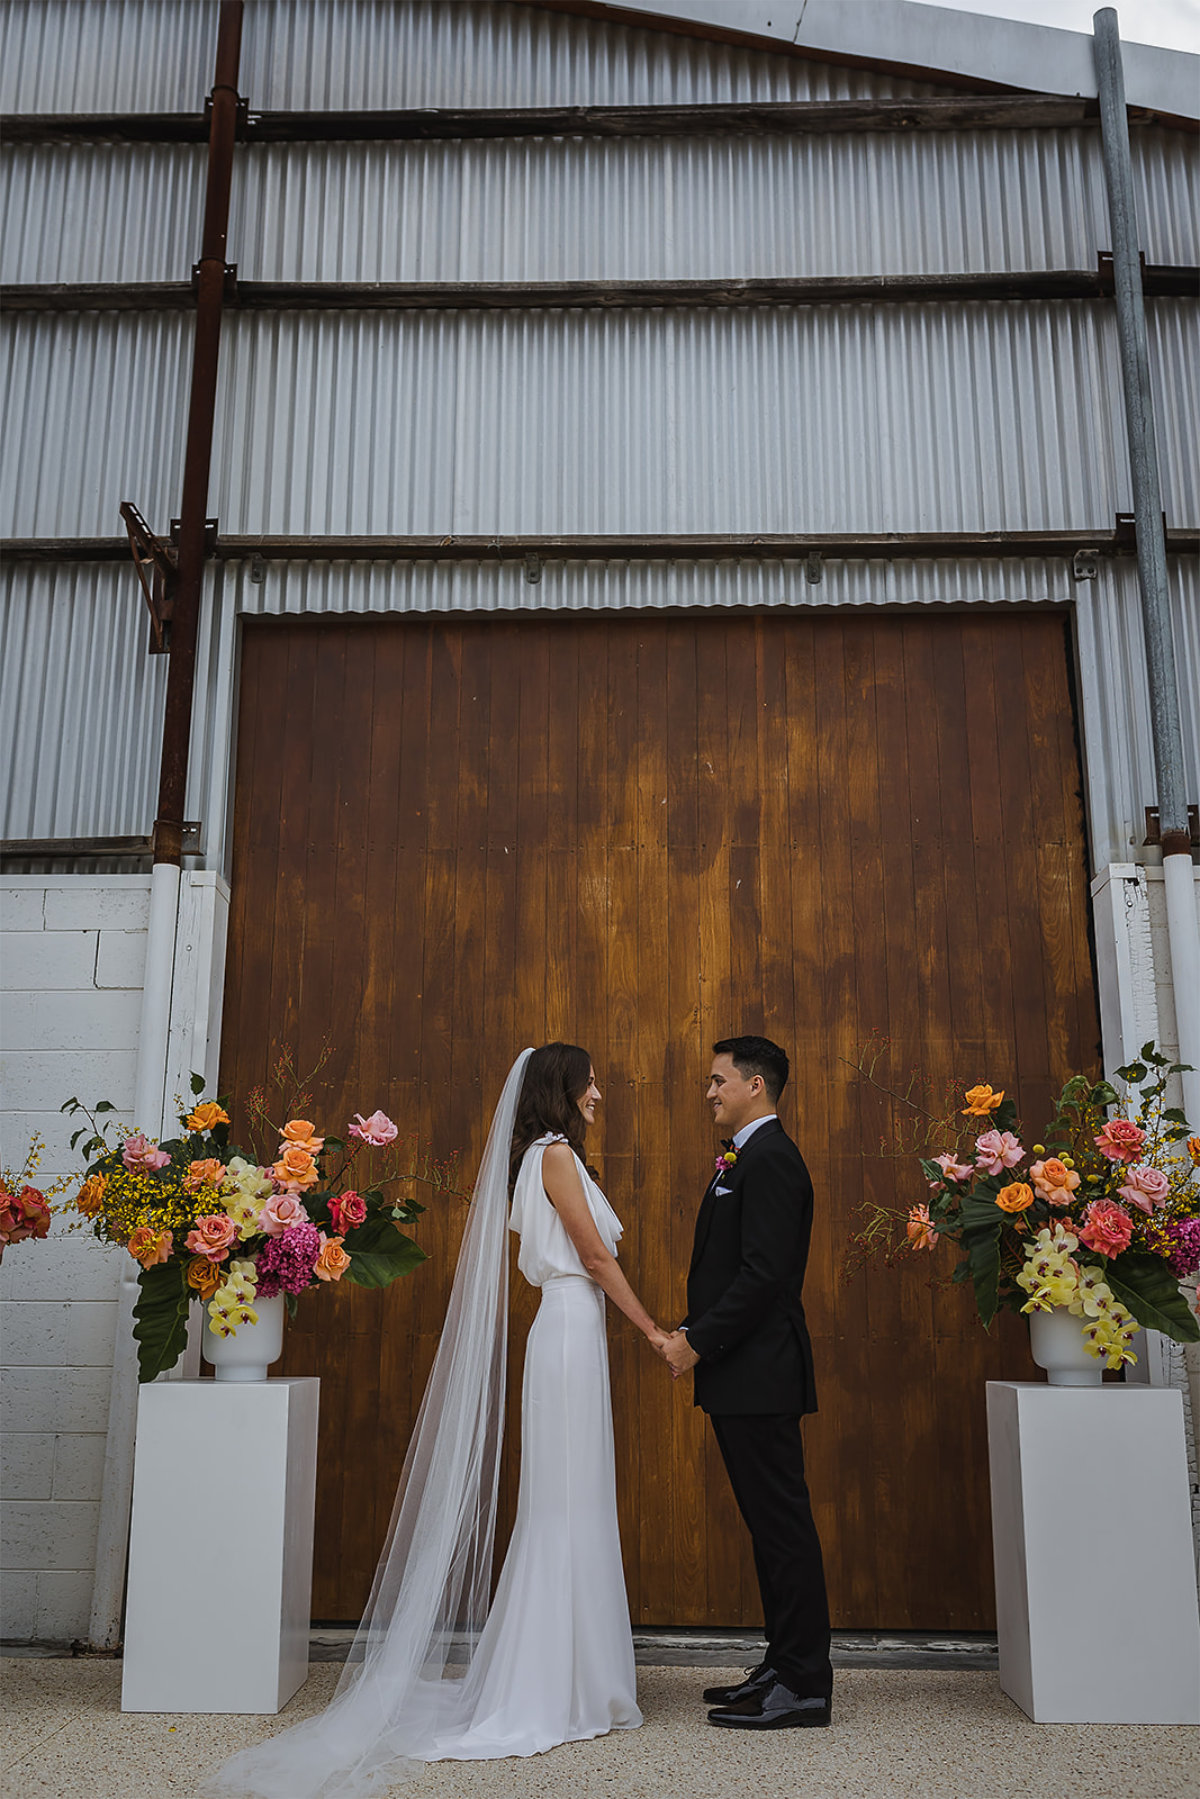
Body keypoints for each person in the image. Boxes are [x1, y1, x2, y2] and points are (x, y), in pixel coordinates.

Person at [204, 1044, 668, 1798]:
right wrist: (653, 1331)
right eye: (591, 1081)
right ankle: (552, 1683)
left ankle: (579, 1677)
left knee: (574, 1500)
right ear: (563, 1086)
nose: (601, 1093)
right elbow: (592, 1252)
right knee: (561, 1503)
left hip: (570, 1331)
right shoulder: (552, 1157)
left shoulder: (547, 1158)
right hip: (569, 1328)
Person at [661, 1035, 833, 1730]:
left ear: (755, 1085)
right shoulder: (747, 1155)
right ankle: (782, 1661)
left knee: (783, 1526)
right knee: (768, 1527)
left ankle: (804, 1681)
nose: (709, 1091)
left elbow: (763, 1276)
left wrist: (695, 1340)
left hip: (760, 1372)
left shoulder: (771, 1160)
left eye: (718, 1079)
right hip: (743, 1374)